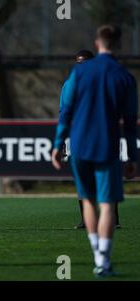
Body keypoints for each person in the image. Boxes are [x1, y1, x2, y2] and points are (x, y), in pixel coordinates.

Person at [52, 25, 138, 277]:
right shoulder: (125, 76)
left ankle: (96, 253)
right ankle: (103, 259)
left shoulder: (77, 74)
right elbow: (131, 124)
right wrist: (132, 156)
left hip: (79, 145)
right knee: (108, 204)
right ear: (119, 44)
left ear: (97, 43)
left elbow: (65, 112)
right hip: (106, 145)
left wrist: (58, 145)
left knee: (87, 199)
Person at [62, 50, 122, 230]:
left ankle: (113, 218)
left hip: (101, 135)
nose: (81, 66)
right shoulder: (69, 85)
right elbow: (64, 112)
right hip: (77, 135)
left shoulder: (105, 82)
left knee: (106, 177)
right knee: (83, 179)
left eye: (85, 62)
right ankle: (85, 219)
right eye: (78, 62)